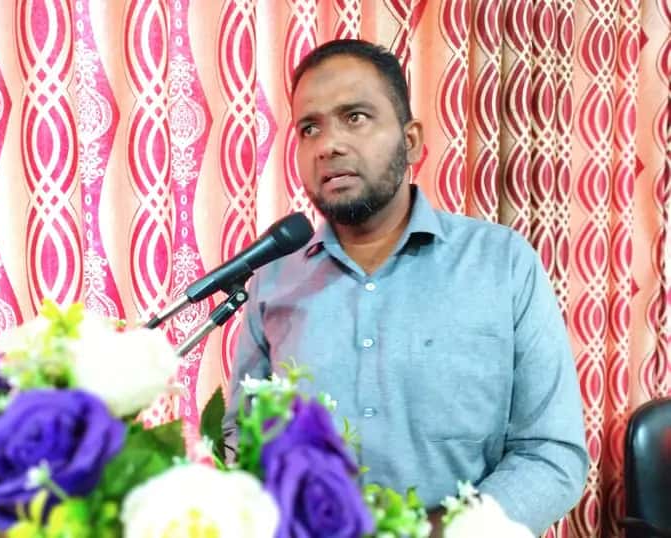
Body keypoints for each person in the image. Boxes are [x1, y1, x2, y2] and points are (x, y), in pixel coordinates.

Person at [224, 39, 588, 536]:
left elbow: (551, 452)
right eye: (310, 128)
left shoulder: (501, 264)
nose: (329, 144)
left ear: (411, 140)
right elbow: (241, 445)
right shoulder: (273, 282)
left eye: (355, 117)